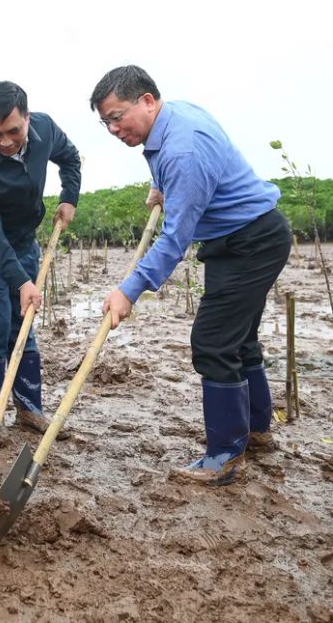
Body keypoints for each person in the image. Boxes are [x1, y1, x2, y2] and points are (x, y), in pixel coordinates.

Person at [91, 65, 291, 486]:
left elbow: (174, 240)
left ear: (147, 100)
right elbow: (178, 171)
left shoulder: (183, 150)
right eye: (105, 122)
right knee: (238, 339)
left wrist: (129, 290)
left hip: (250, 242)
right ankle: (256, 431)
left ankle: (225, 456)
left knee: (213, 342)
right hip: (239, 239)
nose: (113, 129)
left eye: (117, 117)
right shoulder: (174, 118)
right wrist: (161, 185)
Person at [0, 81, 81, 435]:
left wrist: (69, 197)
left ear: (27, 117)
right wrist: (22, 281)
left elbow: (70, 158)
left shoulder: (45, 129)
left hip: (24, 238)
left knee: (23, 322)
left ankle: (29, 409)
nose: (6, 141)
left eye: (13, 131)